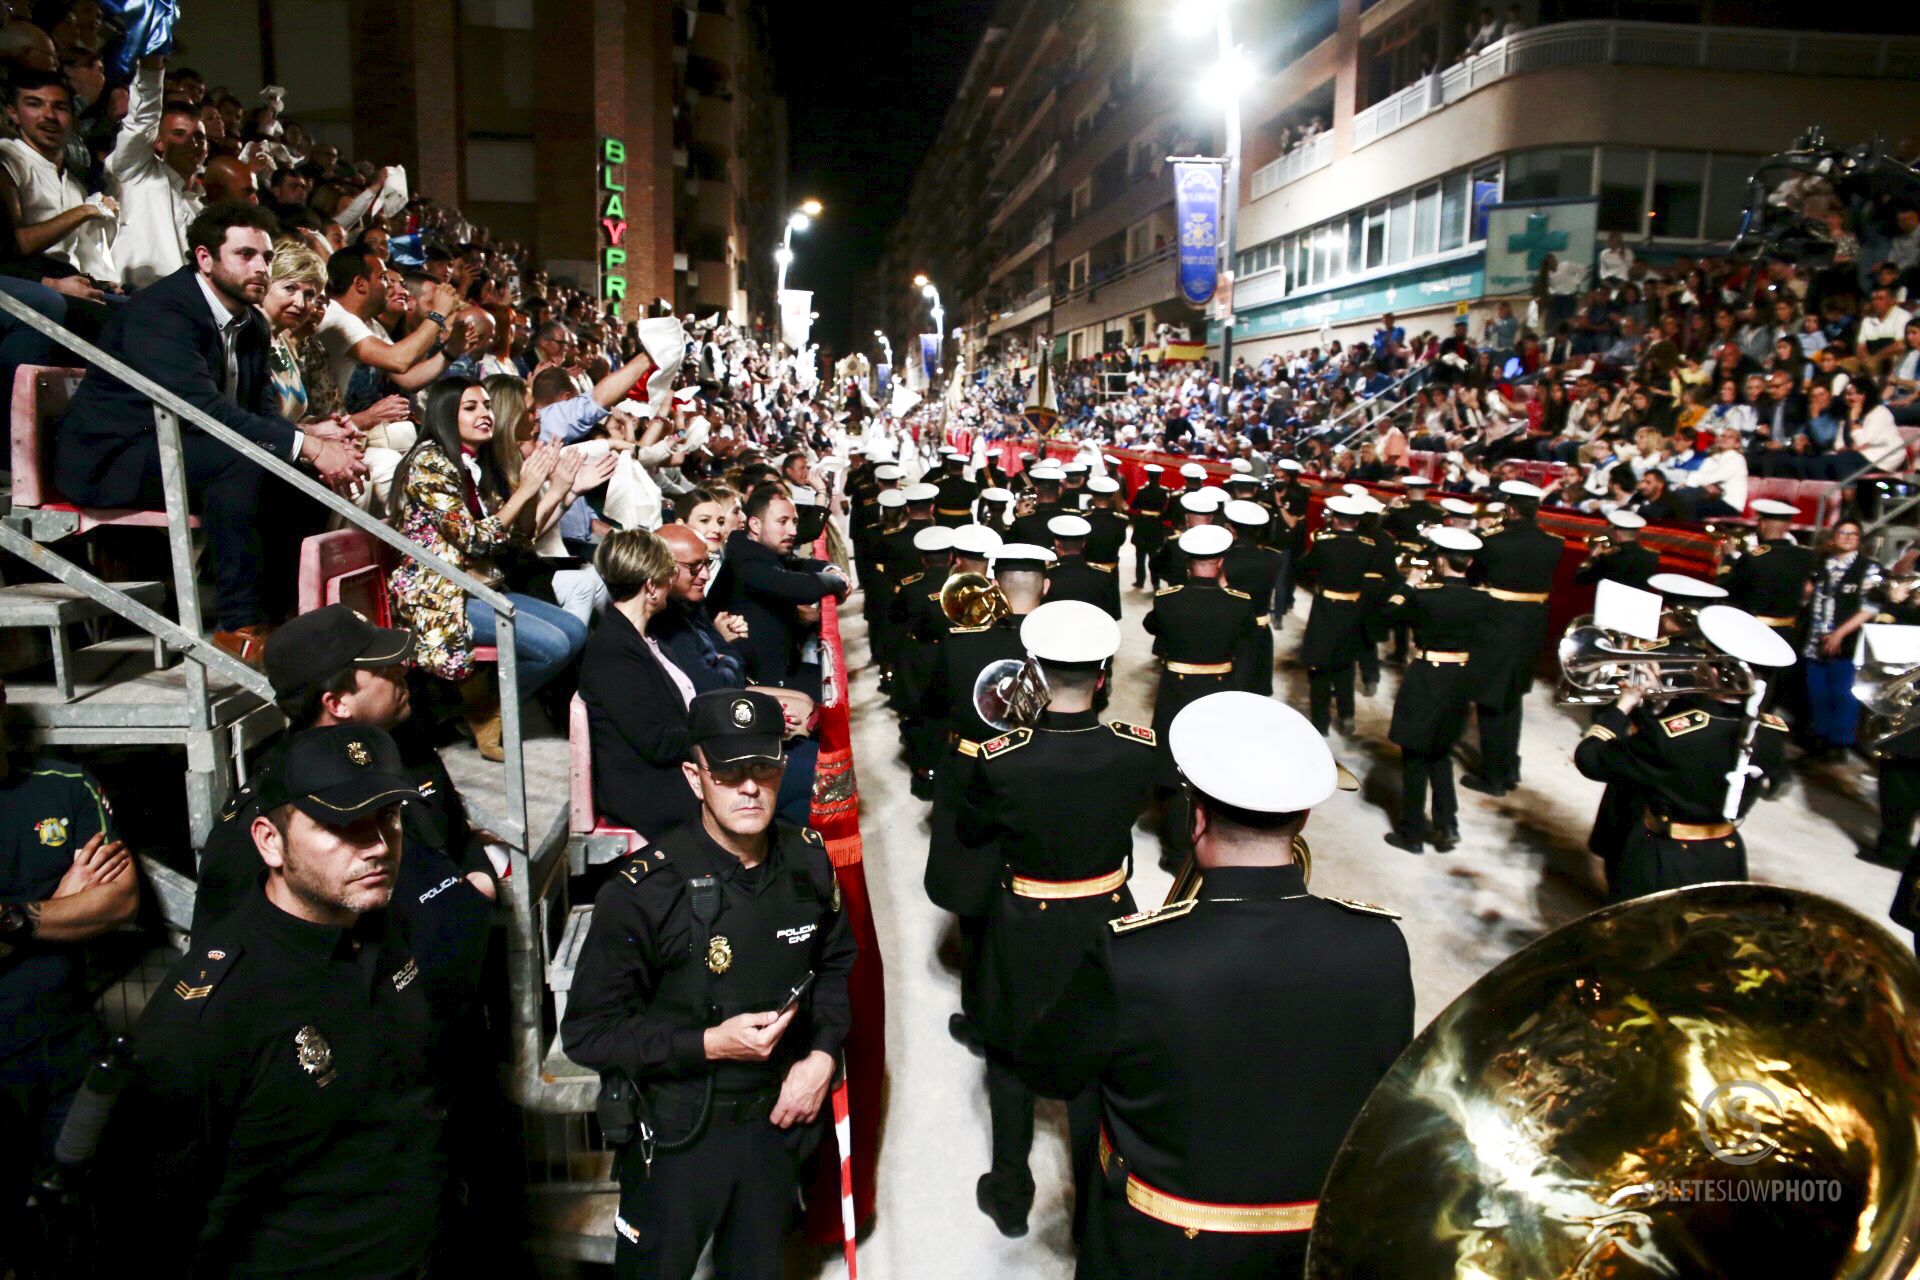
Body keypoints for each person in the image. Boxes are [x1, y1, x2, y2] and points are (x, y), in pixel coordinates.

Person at [1013, 693, 1414, 1278]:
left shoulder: (1134, 956)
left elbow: (1047, 1070)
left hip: (1164, 1249)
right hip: (1313, 1248)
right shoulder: (1380, 942)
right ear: (1302, 818)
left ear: (1195, 817)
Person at [105, 727, 469, 1277]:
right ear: (269, 841)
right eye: (342, 824)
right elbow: (149, 1226)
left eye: (388, 817)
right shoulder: (210, 1013)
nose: (377, 844)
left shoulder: (381, 921)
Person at [561, 689, 856, 1280]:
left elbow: (834, 965)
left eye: (763, 768)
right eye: (728, 772)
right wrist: (706, 1045)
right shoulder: (643, 892)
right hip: (679, 1135)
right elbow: (589, 1034)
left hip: (778, 1122)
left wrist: (822, 1057)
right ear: (696, 779)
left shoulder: (807, 860)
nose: (749, 787)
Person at [53, 202, 367, 662]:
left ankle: (282, 613)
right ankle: (238, 623)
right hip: (111, 458)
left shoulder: (252, 325)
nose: (260, 267)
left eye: (264, 255)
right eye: (245, 255)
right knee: (240, 461)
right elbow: (203, 410)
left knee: (295, 472)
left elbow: (258, 415)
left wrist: (310, 442)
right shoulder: (165, 310)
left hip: (177, 446)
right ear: (205, 258)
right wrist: (310, 445)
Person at [952, 601, 1164, 1239]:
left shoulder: (999, 756)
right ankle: (1091, 1211)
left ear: (1033, 675)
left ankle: (1012, 1193)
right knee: (1095, 1063)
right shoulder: (1138, 749)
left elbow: (969, 831)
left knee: (1011, 1054)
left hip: (1025, 920)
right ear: (1103, 677)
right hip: (1108, 915)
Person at [191, 605, 493, 968]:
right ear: (337, 703)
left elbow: (456, 836)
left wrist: (479, 885)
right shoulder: (276, 809)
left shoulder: (405, 744)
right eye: (383, 669)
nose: (402, 671)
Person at [0, 692, 136, 1263]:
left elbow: (121, 900)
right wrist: (58, 904)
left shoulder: (64, 784)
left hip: (70, 1044)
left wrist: (16, 918)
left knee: (95, 1219)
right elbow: (86, 904)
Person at [385, 377, 586, 757]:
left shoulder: (478, 461)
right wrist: (526, 489)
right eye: (471, 407)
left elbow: (517, 538)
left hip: (480, 586)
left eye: (488, 406)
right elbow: (474, 539)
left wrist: (542, 483)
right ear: (446, 414)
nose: (485, 415)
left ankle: (480, 705)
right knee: (554, 646)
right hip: (439, 594)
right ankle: (484, 710)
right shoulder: (429, 462)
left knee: (574, 631)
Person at [1574, 609, 1792, 899]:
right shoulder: (1773, 732)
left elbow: (1590, 759)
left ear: (1717, 671)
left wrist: (1623, 706)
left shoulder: (1672, 737)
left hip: (1662, 857)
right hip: (1724, 858)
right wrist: (1658, 706)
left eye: (1706, 657)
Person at [1381, 527, 1483, 853]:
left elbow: (1388, 613)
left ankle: (1412, 833)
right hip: (1461, 679)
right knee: (1441, 754)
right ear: (1468, 562)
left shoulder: (1425, 595)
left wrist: (1408, 584)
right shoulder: (1482, 599)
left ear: (1439, 559)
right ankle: (1447, 824)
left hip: (1427, 676)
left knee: (1415, 755)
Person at [1463, 482, 1562, 795]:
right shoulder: (1554, 543)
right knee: (1512, 698)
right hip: (1532, 625)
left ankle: (1493, 776)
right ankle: (1509, 767)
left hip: (1497, 625)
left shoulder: (1493, 542)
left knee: (1490, 699)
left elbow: (1473, 576)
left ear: (1510, 508)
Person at [706, 485, 848, 693]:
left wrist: (831, 568)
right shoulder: (744, 561)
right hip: (754, 681)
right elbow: (798, 587)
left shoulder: (759, 549)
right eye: (782, 522)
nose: (792, 530)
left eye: (795, 522)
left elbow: (799, 564)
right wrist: (838, 581)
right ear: (755, 524)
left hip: (779, 668)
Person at [0, 68, 116, 286]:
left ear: (72, 118)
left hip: (68, 275)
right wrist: (85, 210)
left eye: (60, 107)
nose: (49, 116)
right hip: (23, 277)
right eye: (34, 104)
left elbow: (78, 254)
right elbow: (17, 245)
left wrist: (101, 282)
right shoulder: (8, 157)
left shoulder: (75, 184)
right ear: (13, 112)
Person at [1144, 524, 1257, 743]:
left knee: (1171, 741)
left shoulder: (1167, 599)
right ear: (1221, 562)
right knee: (1214, 742)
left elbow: (1150, 626)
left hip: (1176, 686)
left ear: (1188, 563)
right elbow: (1248, 636)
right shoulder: (1239, 602)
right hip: (1221, 685)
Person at [105, 55, 205, 289]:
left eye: (200, 137)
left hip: (185, 310)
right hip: (135, 301)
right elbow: (141, 121)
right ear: (158, 141)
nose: (193, 144)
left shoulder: (201, 210)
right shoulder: (137, 173)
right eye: (180, 134)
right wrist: (152, 68)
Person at [1294, 495, 1378, 735]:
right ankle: (1347, 715)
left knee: (1320, 668)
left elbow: (1302, 567)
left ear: (1337, 520)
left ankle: (1321, 722)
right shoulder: (1368, 545)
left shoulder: (1325, 542)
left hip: (1325, 610)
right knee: (1345, 666)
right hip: (1353, 609)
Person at [1803, 519, 1880, 759]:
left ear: (1859, 539)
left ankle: (1839, 745)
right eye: (1843, 532)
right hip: (1815, 640)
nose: (1847, 537)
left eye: (1853, 534)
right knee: (1818, 693)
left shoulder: (1868, 568)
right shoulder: (1821, 566)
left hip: (1846, 643)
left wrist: (1839, 633)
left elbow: (1871, 607)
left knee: (1843, 694)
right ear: (1833, 537)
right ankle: (1820, 737)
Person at [1716, 498, 1815, 652]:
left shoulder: (1753, 557)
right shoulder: (1805, 555)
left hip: (1756, 632)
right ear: (1788, 526)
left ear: (1762, 523)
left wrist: (1728, 560)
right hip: (1791, 634)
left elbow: (1726, 587)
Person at [1221, 499, 1284, 696]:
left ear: (1232, 529)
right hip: (1261, 631)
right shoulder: (1274, 557)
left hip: (1232, 631)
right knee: (1255, 690)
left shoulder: (1225, 559)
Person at [1045, 514, 1121, 618]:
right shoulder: (1104, 576)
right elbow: (1114, 616)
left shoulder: (1047, 577)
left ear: (1057, 542)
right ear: (1083, 543)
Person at [1574, 509, 1659, 590]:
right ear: (1637, 533)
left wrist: (1592, 558)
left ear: (1616, 533)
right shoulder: (1652, 557)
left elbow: (1580, 579)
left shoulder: (1609, 558)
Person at [1127, 463, 1170, 589]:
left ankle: (1140, 581)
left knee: (1140, 556)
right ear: (1159, 477)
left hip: (1142, 525)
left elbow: (1134, 506)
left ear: (1148, 477)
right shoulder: (1164, 492)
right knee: (1154, 557)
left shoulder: (1141, 491)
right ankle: (1155, 583)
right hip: (1155, 526)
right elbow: (1164, 511)